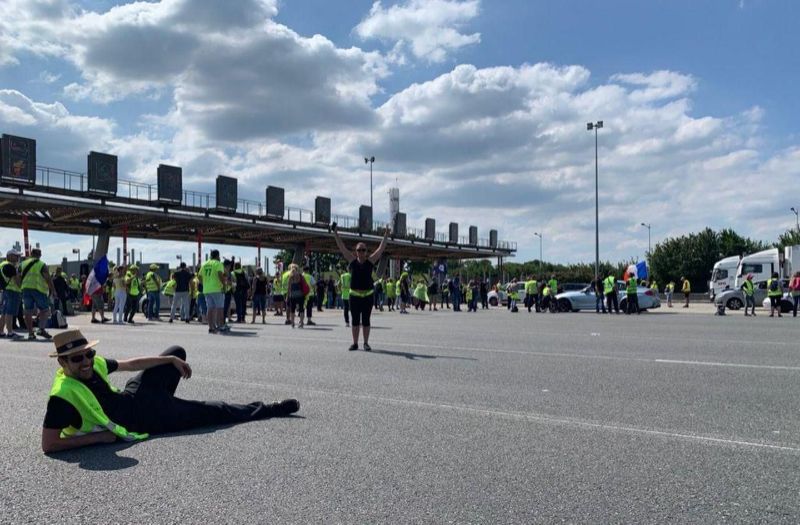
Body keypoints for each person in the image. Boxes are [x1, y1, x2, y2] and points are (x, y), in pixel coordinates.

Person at [41, 329, 299, 453]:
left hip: (133, 397)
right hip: (140, 418)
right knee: (215, 411)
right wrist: (98, 439)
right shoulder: (62, 396)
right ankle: (270, 408)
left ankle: (171, 406)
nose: (86, 361)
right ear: (62, 363)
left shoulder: (93, 364)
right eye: (76, 359)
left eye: (88, 353)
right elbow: (49, 445)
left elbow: (131, 364)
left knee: (177, 351)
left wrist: (170, 362)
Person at [332, 223, 389, 351]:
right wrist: (335, 233)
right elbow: (342, 248)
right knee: (355, 321)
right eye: (359, 250)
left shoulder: (370, 261)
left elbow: (380, 249)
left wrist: (385, 235)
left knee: (366, 320)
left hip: (368, 295)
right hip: (354, 296)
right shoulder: (352, 261)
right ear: (356, 252)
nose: (361, 252)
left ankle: (366, 343)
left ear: (366, 252)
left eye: (363, 250)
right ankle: (355, 343)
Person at [20, 248, 55, 340]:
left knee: (28, 311)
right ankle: (41, 329)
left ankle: (31, 333)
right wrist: (53, 290)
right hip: (38, 289)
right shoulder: (41, 264)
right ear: (40, 255)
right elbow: (48, 279)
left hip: (25, 289)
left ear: (31, 254)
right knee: (45, 310)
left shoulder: (23, 264)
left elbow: (18, 277)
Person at [199, 250, 229, 334]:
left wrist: (205, 283)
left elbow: (199, 276)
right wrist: (224, 285)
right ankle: (221, 326)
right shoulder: (217, 263)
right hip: (216, 289)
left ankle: (211, 327)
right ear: (218, 256)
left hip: (207, 289)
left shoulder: (204, 264)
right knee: (220, 308)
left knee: (210, 308)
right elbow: (220, 274)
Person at [0, 249, 23, 340]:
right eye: (16, 255)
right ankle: (10, 332)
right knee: (10, 312)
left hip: (6, 290)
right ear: (9, 256)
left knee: (4, 312)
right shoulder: (10, 266)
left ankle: (1, 331)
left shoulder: (2, 265)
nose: (18, 257)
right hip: (13, 291)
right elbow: (17, 281)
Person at [286, 264, 306, 328]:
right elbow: (305, 284)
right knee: (301, 309)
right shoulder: (300, 276)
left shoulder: (290, 277)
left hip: (293, 295)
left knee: (292, 309)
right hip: (300, 294)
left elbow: (289, 288)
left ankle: (292, 323)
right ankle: (301, 323)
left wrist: (287, 296)